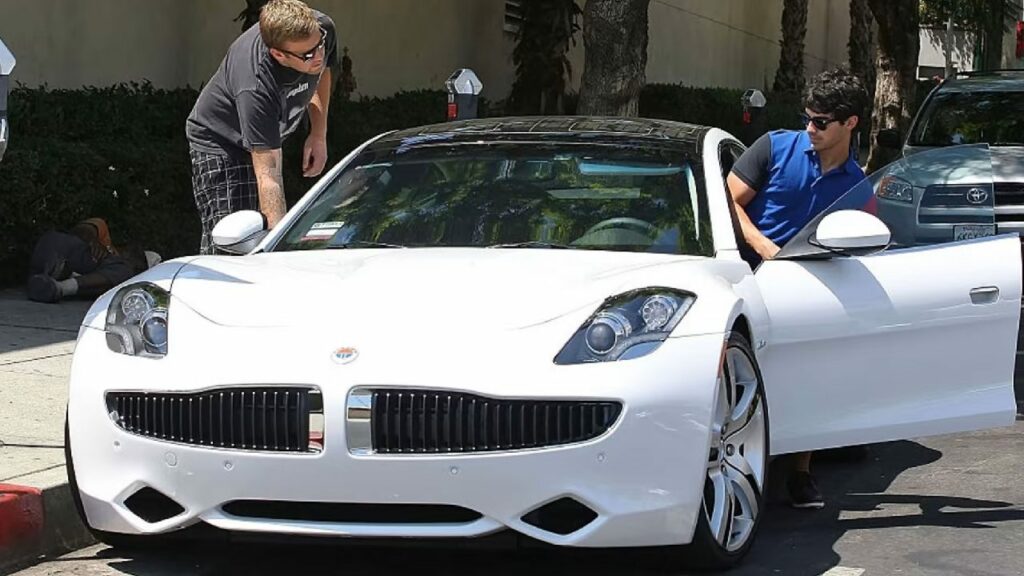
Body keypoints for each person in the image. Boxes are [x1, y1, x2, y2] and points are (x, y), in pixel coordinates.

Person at [727, 67, 869, 509]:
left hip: (808, 289)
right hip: (745, 279)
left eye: (821, 121)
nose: (810, 128)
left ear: (850, 124)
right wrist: (761, 244)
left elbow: (866, 239)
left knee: (809, 372)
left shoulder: (856, 184)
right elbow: (727, 200)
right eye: (808, 117)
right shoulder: (773, 146)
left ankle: (800, 472)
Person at [186, 0, 338, 254]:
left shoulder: (321, 29)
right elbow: (269, 176)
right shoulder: (255, 84)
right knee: (234, 241)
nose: (318, 56)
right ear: (278, 54)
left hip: (263, 137)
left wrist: (319, 134)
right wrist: (277, 256)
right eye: (308, 55)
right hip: (221, 144)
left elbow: (324, 71)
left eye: (319, 44)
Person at [26, 218, 159, 303]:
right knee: (122, 270)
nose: (135, 267)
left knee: (121, 275)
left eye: (140, 268)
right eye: (139, 262)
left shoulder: (115, 275)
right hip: (58, 247)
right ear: (132, 249)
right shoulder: (105, 238)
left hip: (47, 267)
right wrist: (92, 240)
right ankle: (60, 286)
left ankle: (51, 283)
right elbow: (84, 229)